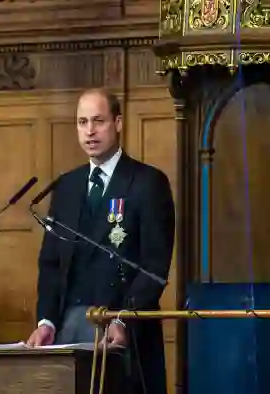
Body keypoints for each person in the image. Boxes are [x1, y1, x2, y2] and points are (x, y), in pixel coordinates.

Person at [27, 88, 175, 394]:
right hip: (69, 327)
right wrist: (47, 322)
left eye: (98, 121)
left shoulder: (147, 183)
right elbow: (51, 263)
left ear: (118, 123)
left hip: (121, 328)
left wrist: (123, 319)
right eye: (82, 122)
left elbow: (154, 266)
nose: (90, 131)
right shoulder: (67, 185)